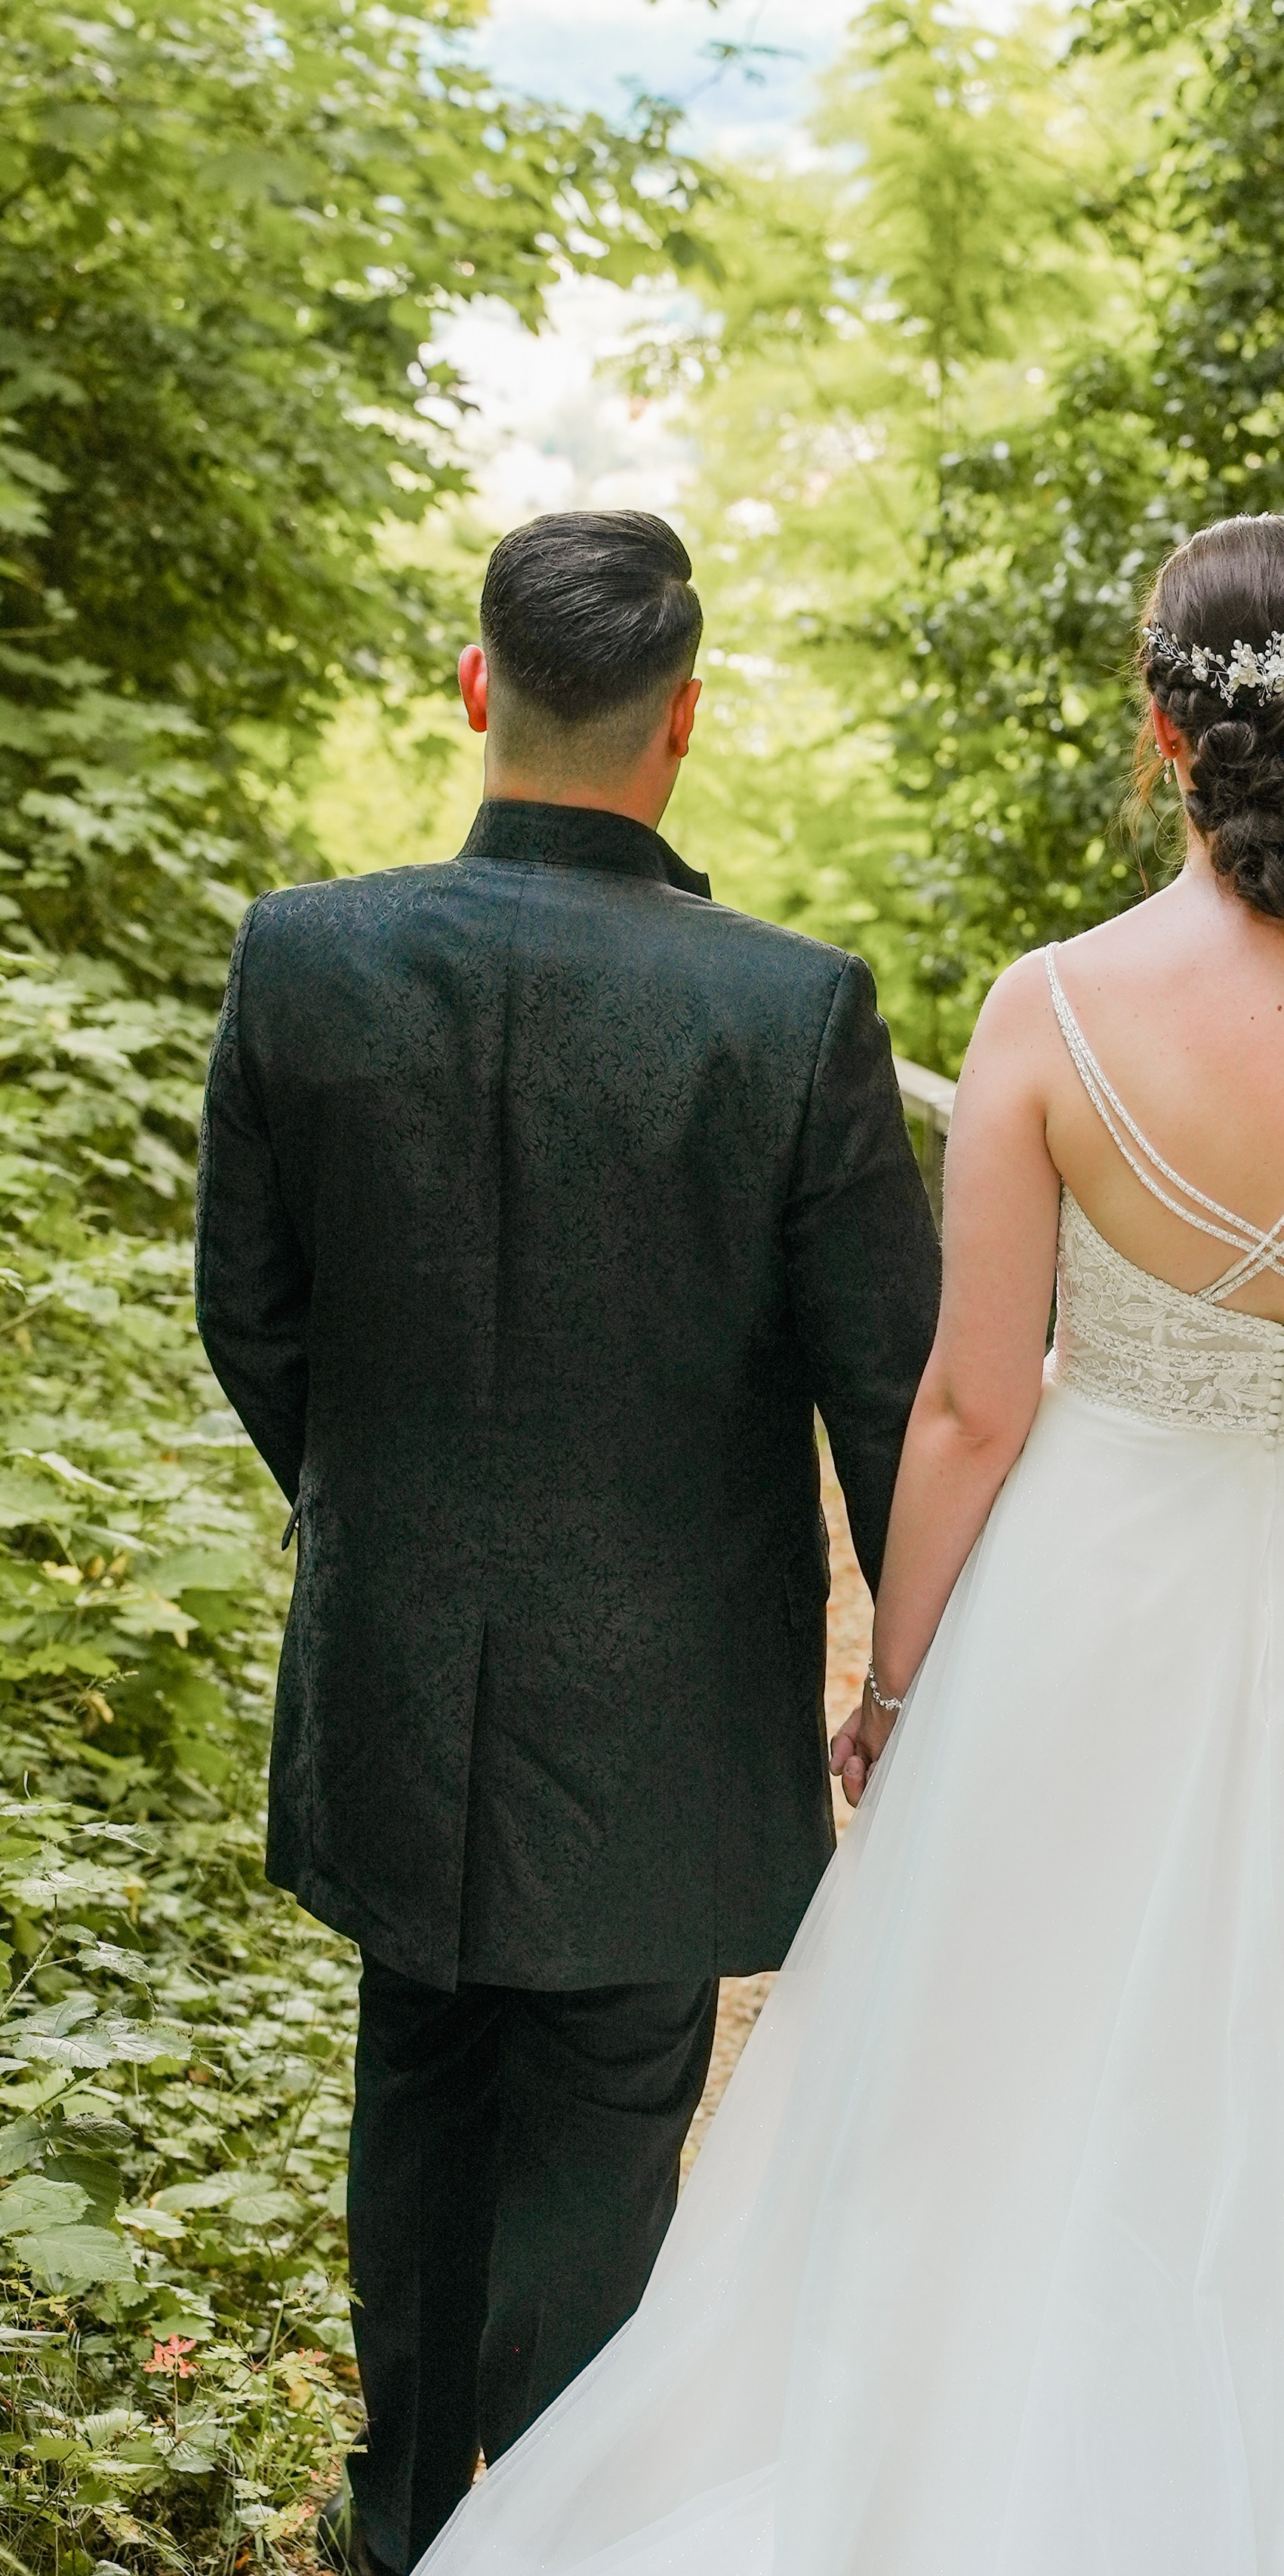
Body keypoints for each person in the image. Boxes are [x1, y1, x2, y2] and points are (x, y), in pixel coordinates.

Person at [417, 512, 1284, 2575]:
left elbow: (975, 1406)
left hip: (1102, 1591)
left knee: (1036, 2070)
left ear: (1159, 733)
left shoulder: (1052, 1013)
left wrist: (897, 1689)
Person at [192, 510, 941, 2576]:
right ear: (682, 722)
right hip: (673, 1706)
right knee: (607, 2135)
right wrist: (924, 1673)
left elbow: (249, 1313)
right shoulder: (795, 1015)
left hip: (396, 1661)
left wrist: (382, 1521)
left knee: (418, 2080)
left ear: (473, 693)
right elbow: (892, 1391)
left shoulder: (301, 954)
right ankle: (560, 2534)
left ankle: (400, 2509)